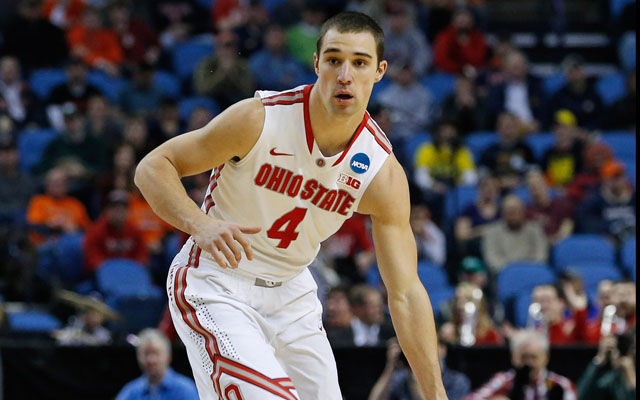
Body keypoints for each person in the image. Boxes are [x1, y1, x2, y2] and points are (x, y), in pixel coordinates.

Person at [135, 11, 448, 400]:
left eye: (360, 62)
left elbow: (405, 293)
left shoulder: (381, 174)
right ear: (317, 63)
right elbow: (152, 167)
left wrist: (436, 394)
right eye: (334, 60)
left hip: (293, 294)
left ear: (380, 70)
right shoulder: (258, 119)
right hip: (217, 282)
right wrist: (201, 224)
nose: (345, 75)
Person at [465, 329, 577, 400]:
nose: (529, 362)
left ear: (546, 357)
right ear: (514, 357)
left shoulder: (559, 384)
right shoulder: (504, 381)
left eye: (533, 357)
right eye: (524, 357)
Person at [369, 336, 471, 400]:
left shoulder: (457, 381)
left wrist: (415, 382)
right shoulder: (402, 378)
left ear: (442, 349)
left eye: (427, 344)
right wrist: (390, 367)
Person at [116, 328, 199, 400]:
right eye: (146, 354)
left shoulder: (185, 390)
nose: (151, 360)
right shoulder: (131, 391)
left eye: (156, 353)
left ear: (168, 356)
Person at [481, 195, 548, 274]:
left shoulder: (535, 230)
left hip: (532, 273)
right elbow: (492, 259)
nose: (512, 215)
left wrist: (528, 270)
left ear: (523, 211)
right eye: (509, 211)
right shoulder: (492, 232)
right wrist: (512, 272)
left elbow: (541, 255)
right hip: (503, 275)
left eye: (516, 211)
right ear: (503, 213)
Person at [577, 329, 636, 400]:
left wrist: (631, 376)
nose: (616, 354)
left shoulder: (629, 375)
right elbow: (580, 395)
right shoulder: (610, 380)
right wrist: (599, 360)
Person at [433, 8, 488, 75]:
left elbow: (479, 59)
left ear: (472, 22)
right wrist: (460, 68)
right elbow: (441, 60)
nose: (463, 23)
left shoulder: (478, 38)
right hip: (447, 73)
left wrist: (466, 45)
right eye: (460, 21)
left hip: (472, 72)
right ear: (453, 22)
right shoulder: (444, 36)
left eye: (466, 21)